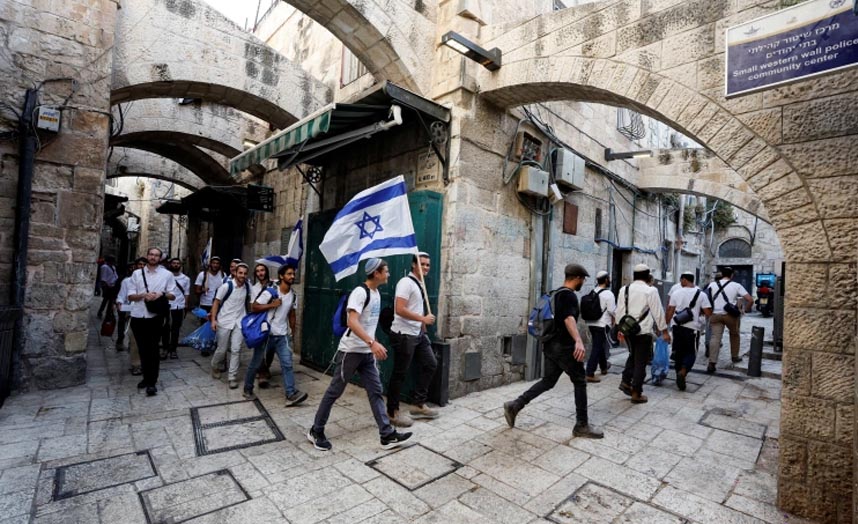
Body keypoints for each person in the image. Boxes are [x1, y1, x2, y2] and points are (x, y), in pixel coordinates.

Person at [308, 258, 412, 451]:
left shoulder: (377, 293)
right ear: (376, 273)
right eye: (386, 271)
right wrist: (372, 343)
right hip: (350, 351)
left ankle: (387, 435)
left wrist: (372, 345)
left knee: (376, 391)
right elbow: (351, 322)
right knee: (334, 391)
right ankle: (316, 429)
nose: (388, 274)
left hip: (366, 353)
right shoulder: (359, 292)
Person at [503, 264, 603, 439]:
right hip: (565, 347)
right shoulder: (569, 296)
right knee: (580, 381)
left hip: (550, 345)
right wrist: (578, 340)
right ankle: (581, 425)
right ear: (577, 278)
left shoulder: (555, 293)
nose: (583, 282)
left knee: (549, 381)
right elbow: (568, 318)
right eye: (583, 279)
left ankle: (515, 405)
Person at [243, 264, 308, 406]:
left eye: (293, 274)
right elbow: (254, 306)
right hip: (266, 334)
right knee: (256, 363)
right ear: (281, 276)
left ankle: (291, 394)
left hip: (282, 336)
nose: (292, 276)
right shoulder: (271, 291)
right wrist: (271, 305)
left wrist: (292, 331)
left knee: (287, 364)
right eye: (289, 274)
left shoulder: (293, 295)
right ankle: (247, 389)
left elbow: (291, 314)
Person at [387, 252, 438, 428]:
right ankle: (391, 412)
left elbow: (415, 306)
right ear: (413, 265)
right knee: (399, 374)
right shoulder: (406, 283)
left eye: (427, 265)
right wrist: (422, 319)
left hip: (418, 334)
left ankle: (418, 404)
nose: (425, 268)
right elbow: (399, 309)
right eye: (422, 264)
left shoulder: (420, 284)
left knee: (430, 363)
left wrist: (422, 327)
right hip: (404, 334)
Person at [615, 263, 670, 404]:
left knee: (633, 355)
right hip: (643, 331)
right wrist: (664, 332)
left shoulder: (624, 289)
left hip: (628, 330)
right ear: (647, 276)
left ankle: (626, 381)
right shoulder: (650, 291)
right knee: (641, 362)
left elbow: (619, 311)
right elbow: (658, 312)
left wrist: (619, 329)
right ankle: (636, 392)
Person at [127, 247, 177, 396]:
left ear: (160, 258)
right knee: (142, 349)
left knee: (153, 349)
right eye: (151, 254)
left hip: (155, 317)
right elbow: (130, 296)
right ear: (147, 256)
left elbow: (173, 295)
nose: (153, 257)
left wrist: (160, 294)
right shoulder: (136, 273)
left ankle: (152, 382)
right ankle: (145, 377)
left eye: (156, 255)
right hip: (138, 315)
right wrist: (143, 295)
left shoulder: (167, 275)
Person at [665, 272, 712, 390]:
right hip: (693, 328)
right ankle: (684, 371)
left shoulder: (676, 292)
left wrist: (665, 324)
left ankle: (678, 373)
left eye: (681, 280)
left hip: (677, 326)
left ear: (685, 280)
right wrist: (699, 311)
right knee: (691, 352)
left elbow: (670, 310)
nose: (681, 282)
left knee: (678, 351)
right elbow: (708, 313)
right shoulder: (701, 294)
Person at [705, 266, 753, 373]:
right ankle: (734, 356)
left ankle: (712, 363)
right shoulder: (736, 286)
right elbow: (750, 300)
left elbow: (705, 298)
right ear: (732, 275)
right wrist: (746, 310)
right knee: (734, 335)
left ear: (721, 274)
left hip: (715, 315)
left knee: (715, 338)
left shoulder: (712, 285)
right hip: (730, 315)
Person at [210, 262, 250, 389]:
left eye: (244, 273)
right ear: (235, 273)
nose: (242, 275)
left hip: (239, 322)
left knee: (236, 349)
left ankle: (232, 377)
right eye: (240, 273)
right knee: (221, 350)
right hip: (224, 321)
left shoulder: (247, 286)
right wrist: (213, 320)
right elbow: (216, 303)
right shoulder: (226, 286)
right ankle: (215, 365)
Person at [584, 271, 615, 382]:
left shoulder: (593, 291)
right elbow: (612, 310)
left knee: (600, 344)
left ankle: (603, 367)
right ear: (606, 280)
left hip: (591, 323)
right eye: (609, 278)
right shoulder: (609, 294)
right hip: (602, 324)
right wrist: (615, 320)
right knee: (597, 346)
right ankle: (589, 372)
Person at [159, 258, 190, 360]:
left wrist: (186, 305)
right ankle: (165, 348)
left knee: (176, 329)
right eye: (174, 263)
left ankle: (173, 350)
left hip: (179, 306)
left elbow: (186, 293)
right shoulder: (165, 277)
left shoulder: (185, 279)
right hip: (166, 305)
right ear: (170, 264)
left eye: (178, 263)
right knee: (165, 328)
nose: (176, 265)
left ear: (180, 265)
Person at [195, 256, 225, 356]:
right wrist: (203, 290)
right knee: (205, 326)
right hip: (205, 304)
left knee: (217, 325)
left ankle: (214, 345)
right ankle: (204, 347)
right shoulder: (203, 275)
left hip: (217, 304)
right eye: (213, 263)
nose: (215, 265)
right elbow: (196, 290)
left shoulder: (223, 275)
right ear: (210, 264)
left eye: (217, 263)